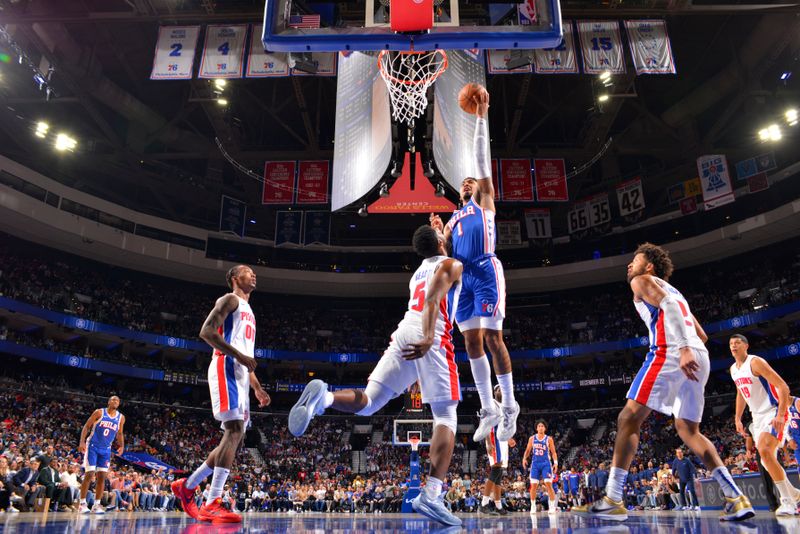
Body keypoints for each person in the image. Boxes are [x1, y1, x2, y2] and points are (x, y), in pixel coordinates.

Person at [288, 225, 464, 527]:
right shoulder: (451, 264)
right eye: (440, 232)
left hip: (404, 330)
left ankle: (325, 397)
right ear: (438, 242)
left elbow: (436, 266)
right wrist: (428, 337)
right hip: (430, 333)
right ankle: (432, 495)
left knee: (368, 402)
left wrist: (439, 230)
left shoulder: (417, 272)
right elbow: (436, 294)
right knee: (446, 416)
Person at [575, 243, 754, 522]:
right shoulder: (676, 292)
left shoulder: (641, 281)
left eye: (635, 260)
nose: (629, 266)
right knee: (688, 430)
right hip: (699, 356)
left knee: (628, 418)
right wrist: (689, 347)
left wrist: (681, 348)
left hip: (671, 351)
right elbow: (702, 335)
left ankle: (612, 498)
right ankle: (736, 497)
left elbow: (668, 307)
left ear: (649, 266)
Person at [429, 85, 519, 443]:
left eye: (471, 180)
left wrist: (481, 117)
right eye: (463, 181)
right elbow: (444, 253)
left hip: (486, 270)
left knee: (494, 338)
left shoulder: (483, 201)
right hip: (463, 280)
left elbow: (481, 162)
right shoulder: (453, 217)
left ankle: (510, 404)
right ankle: (488, 407)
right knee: (470, 343)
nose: (467, 182)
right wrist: (439, 233)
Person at [171, 265, 270, 523]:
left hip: (239, 372)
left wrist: (257, 387)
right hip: (225, 366)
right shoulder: (229, 299)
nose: (254, 275)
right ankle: (211, 501)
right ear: (235, 278)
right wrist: (238, 356)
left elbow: (246, 355)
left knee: (233, 438)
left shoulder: (250, 312)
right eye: (248, 272)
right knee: (234, 430)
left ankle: (188, 485)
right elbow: (206, 332)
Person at [730, 333, 800, 515]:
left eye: (737, 343)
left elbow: (783, 387)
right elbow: (741, 393)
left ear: (746, 346)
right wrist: (737, 417)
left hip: (773, 411)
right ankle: (794, 494)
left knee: (764, 450)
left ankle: (788, 502)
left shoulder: (755, 362)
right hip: (757, 416)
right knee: (765, 459)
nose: (733, 346)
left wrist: (781, 414)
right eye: (731, 344)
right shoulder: (733, 369)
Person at [78, 396, 125, 514]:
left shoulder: (121, 418)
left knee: (102, 477)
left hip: (106, 450)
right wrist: (82, 442)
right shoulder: (99, 412)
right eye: (113, 400)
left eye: (117, 400)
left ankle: (96, 505)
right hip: (92, 446)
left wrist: (121, 446)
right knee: (89, 474)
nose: (115, 402)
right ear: (109, 402)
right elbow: (86, 426)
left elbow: (119, 433)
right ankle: (82, 503)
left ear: (119, 404)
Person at [479, 385, 516, 516]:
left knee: (499, 474)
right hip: (494, 440)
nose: (501, 390)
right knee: (495, 470)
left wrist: (510, 437)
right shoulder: (490, 404)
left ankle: (498, 506)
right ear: (494, 392)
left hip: (503, 441)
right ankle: (483, 503)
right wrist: (488, 442)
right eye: (498, 389)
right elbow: (485, 423)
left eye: (502, 388)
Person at [522, 420, 558, 514]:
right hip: (535, 464)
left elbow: (553, 452)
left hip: (546, 463)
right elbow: (528, 450)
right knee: (533, 485)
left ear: (545, 428)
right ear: (536, 428)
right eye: (539, 426)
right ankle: (533, 506)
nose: (541, 427)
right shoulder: (532, 438)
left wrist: (556, 463)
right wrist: (524, 458)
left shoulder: (549, 439)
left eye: (542, 426)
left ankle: (552, 506)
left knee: (548, 484)